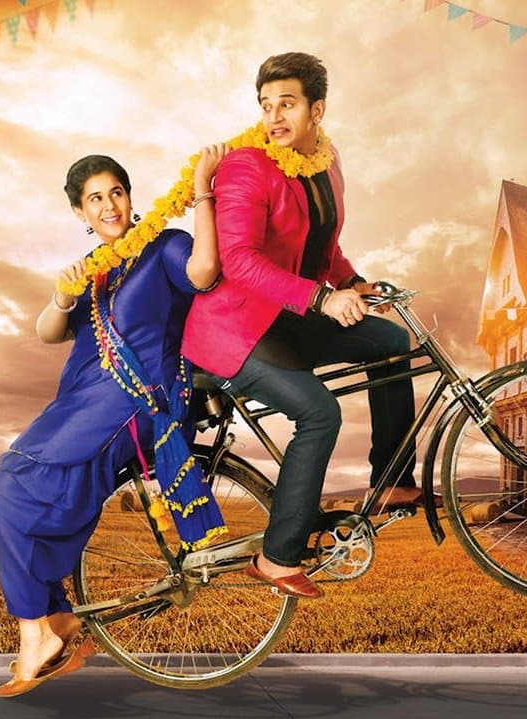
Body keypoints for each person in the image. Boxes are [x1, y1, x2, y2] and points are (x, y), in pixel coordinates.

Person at [0, 146, 227, 698]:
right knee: (17, 493)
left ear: (130, 197)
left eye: (116, 192)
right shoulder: (94, 271)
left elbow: (204, 272)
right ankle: (56, 620)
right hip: (85, 401)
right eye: (95, 199)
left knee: (7, 488)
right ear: (80, 213)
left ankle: (37, 634)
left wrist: (203, 190)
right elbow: (48, 332)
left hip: (135, 400)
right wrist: (61, 296)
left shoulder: (163, 245)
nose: (109, 205)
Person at [182, 52, 419, 601]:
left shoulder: (327, 163)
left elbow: (323, 244)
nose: (274, 117)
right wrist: (323, 299)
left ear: (318, 110)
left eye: (286, 104)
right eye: (266, 105)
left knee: (391, 342)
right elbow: (238, 261)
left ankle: (391, 482)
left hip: (290, 314)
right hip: (237, 329)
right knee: (320, 413)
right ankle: (277, 557)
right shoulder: (246, 167)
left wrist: (352, 282)